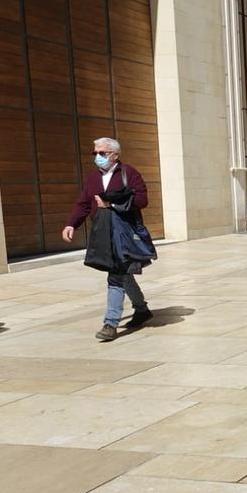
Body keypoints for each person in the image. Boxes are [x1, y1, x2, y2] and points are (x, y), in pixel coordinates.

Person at [61, 137, 153, 342]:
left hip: (123, 232)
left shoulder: (129, 173)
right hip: (103, 232)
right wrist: (71, 224)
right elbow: (84, 203)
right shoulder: (93, 178)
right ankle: (142, 310)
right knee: (122, 273)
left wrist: (112, 203)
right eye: (95, 153)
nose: (97, 157)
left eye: (101, 153)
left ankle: (110, 323)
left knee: (115, 275)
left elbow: (142, 200)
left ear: (115, 155)